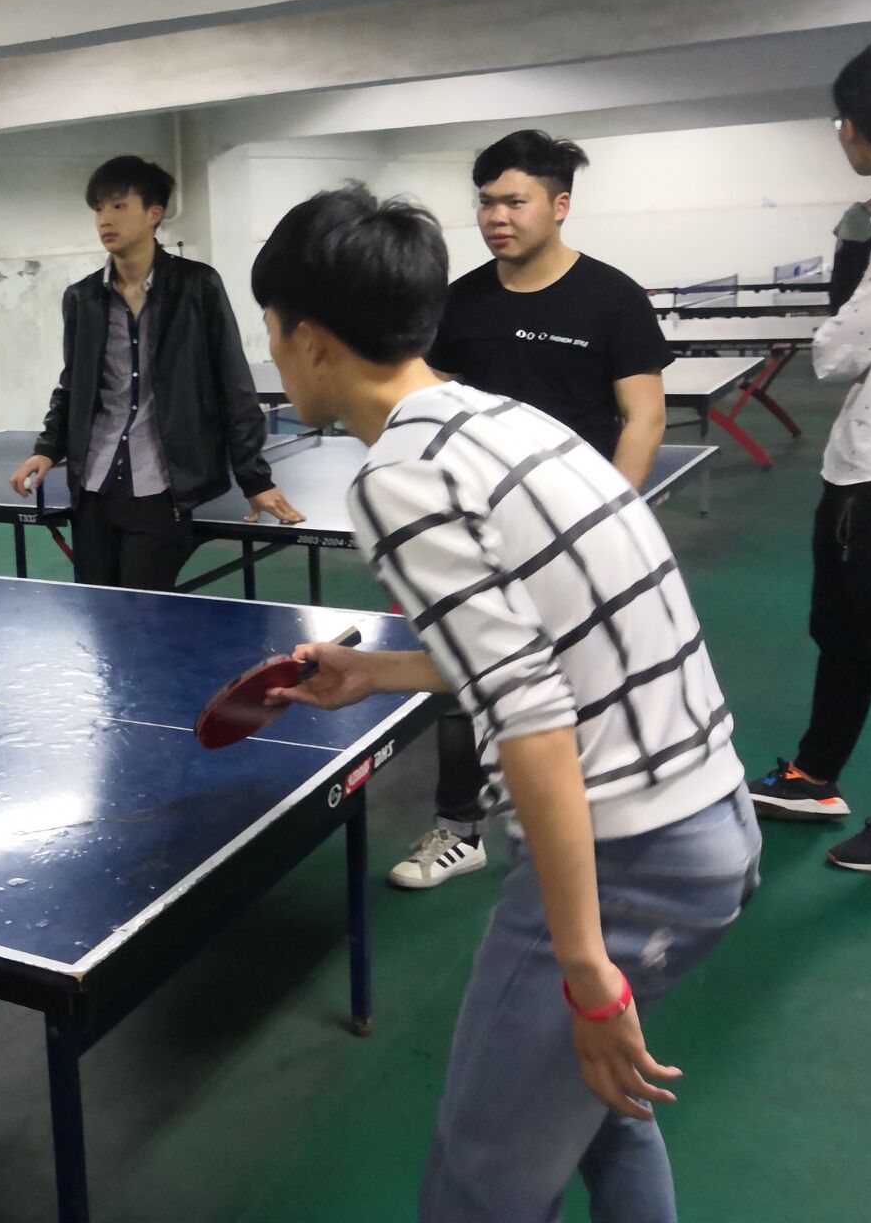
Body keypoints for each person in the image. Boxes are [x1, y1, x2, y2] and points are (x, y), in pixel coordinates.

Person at [253, 184, 758, 1223]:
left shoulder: (399, 479)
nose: (272, 352)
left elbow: (532, 715)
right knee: (603, 1111)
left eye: (270, 328)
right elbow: (548, 642)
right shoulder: (499, 421)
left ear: (308, 339)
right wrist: (382, 672)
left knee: (480, 1183)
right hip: (711, 815)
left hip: (633, 856)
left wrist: (586, 972)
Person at [392, 130, 672, 889]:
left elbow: (644, 416)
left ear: (560, 204)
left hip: (579, 531)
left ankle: (600, 830)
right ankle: (460, 829)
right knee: (464, 673)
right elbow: (427, 409)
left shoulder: (612, 298)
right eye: (486, 202)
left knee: (586, 682)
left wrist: (610, 520)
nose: (496, 217)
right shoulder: (460, 302)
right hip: (475, 528)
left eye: (514, 201)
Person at [748, 41, 871, 871]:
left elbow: (836, 351)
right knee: (840, 627)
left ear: (853, 128)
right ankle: (815, 773)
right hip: (864, 456)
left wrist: (853, 249)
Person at [9, 155, 300, 590]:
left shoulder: (198, 286)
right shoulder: (82, 298)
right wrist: (48, 449)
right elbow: (74, 384)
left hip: (161, 490)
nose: (105, 219)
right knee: (97, 612)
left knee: (143, 614)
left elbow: (233, 384)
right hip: (93, 488)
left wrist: (254, 478)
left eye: (118, 206)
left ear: (154, 213)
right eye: (98, 209)